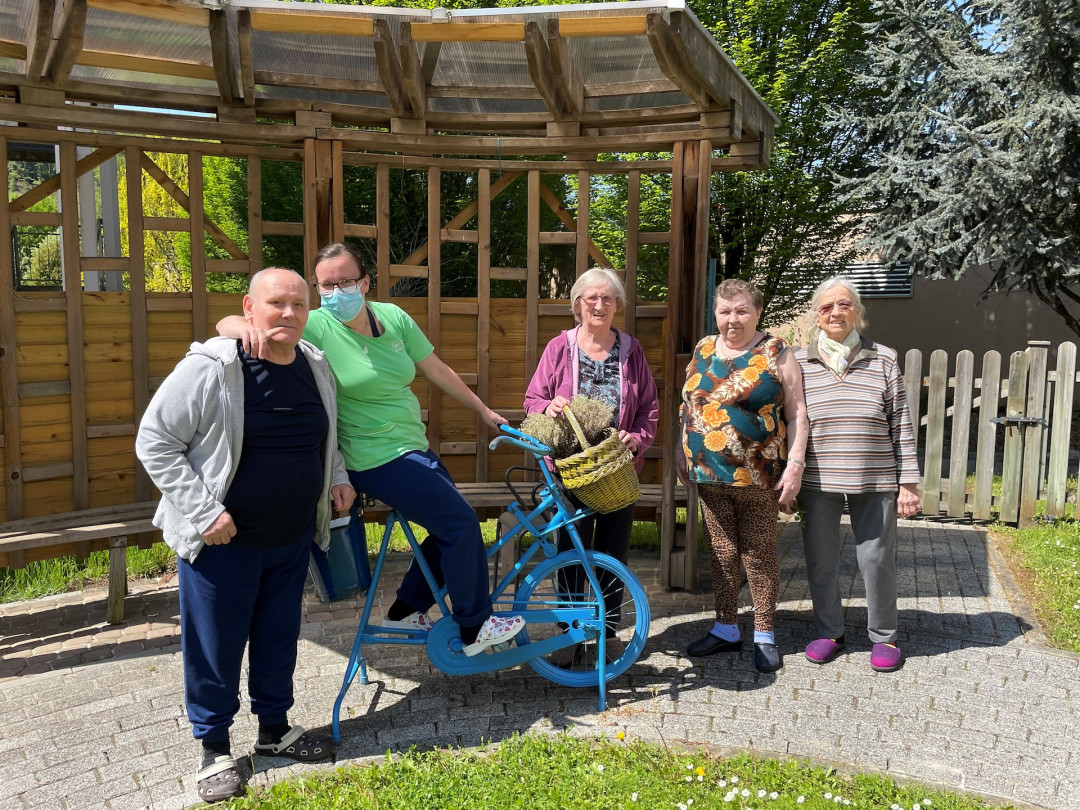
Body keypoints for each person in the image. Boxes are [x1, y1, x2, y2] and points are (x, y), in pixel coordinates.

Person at [217, 242, 524, 660]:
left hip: (412, 447)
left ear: (364, 282)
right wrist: (244, 328)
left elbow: (435, 368)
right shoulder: (319, 326)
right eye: (326, 285)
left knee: (449, 528)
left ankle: (403, 610)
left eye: (345, 281)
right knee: (462, 525)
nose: (335, 292)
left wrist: (483, 410)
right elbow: (228, 321)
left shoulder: (393, 317)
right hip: (370, 456)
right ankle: (475, 626)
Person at [136, 268, 356, 803]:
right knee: (215, 646)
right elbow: (154, 440)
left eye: (298, 305)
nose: (288, 314)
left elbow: (323, 433)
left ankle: (275, 731)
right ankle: (213, 749)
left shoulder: (315, 364)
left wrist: (337, 477)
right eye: (276, 303)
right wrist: (204, 512)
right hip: (222, 545)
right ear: (249, 307)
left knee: (279, 637)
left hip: (291, 538)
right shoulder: (214, 367)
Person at [524, 267, 659, 663]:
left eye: (608, 298)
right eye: (591, 298)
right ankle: (568, 632)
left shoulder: (631, 351)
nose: (599, 305)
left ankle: (609, 629)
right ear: (577, 304)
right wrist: (549, 406)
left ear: (617, 305)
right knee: (571, 551)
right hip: (570, 470)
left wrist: (637, 439)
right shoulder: (559, 348)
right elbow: (533, 400)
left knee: (613, 552)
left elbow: (649, 407)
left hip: (617, 470)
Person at [676, 279, 808, 674]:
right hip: (707, 472)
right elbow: (687, 405)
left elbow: (798, 412)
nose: (732, 319)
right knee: (722, 552)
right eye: (724, 310)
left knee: (758, 552)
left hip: (758, 474)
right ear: (715, 312)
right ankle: (726, 627)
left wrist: (796, 465)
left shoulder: (776, 350)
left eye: (741, 311)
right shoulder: (703, 347)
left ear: (757, 313)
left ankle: (765, 635)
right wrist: (681, 452)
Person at [795, 277, 921, 673]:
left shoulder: (884, 358)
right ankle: (829, 632)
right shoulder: (799, 362)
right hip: (817, 478)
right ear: (817, 314)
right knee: (821, 558)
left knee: (877, 558)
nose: (836, 312)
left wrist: (909, 483)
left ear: (858, 313)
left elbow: (901, 422)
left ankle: (885, 636)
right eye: (828, 306)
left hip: (875, 475)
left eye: (845, 305)